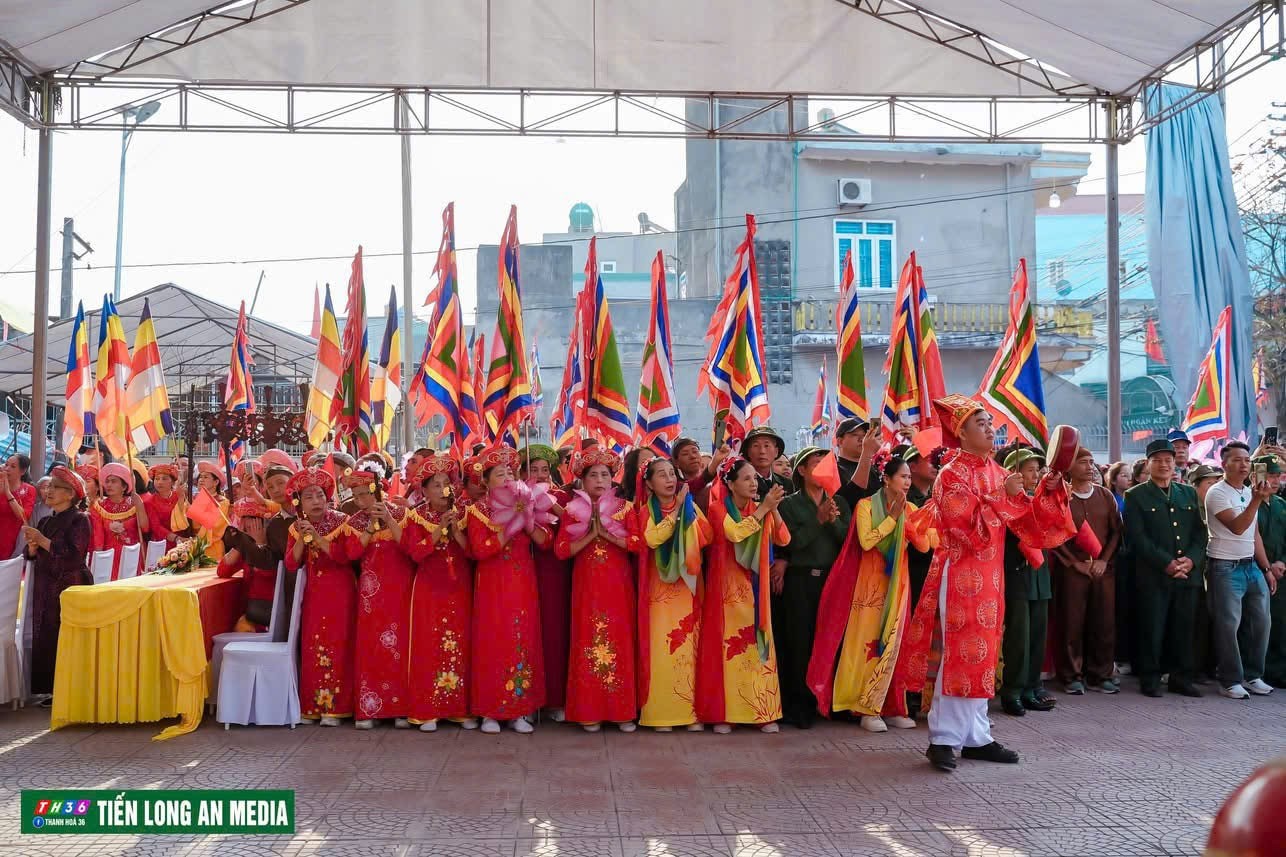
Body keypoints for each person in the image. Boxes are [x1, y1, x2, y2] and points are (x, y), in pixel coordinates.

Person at [895, 395, 1074, 773]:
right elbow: (960, 528)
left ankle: (976, 735)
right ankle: (943, 738)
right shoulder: (951, 474)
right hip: (960, 572)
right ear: (961, 432)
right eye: (981, 423)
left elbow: (1026, 520)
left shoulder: (994, 471)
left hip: (990, 576)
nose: (990, 428)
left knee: (984, 652)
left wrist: (1049, 488)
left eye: (991, 422)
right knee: (960, 652)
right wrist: (1001, 496)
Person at [807, 447, 937, 732]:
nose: (906, 482)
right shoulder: (866, 506)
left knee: (894, 645)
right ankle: (864, 707)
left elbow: (926, 545)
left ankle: (891, 706)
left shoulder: (911, 509)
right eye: (902, 476)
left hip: (898, 587)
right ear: (887, 479)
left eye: (907, 477)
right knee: (865, 646)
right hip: (868, 589)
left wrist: (914, 524)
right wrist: (892, 519)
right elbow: (866, 542)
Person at [695, 456, 790, 734]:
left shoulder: (760, 506)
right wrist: (763, 511)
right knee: (729, 650)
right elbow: (735, 534)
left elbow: (784, 539)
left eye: (754, 478)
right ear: (731, 483)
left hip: (755, 588)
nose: (753, 482)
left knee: (756, 647)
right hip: (727, 591)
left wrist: (773, 510)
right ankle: (726, 714)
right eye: (746, 478)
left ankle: (763, 712)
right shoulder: (716, 509)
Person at [466, 445, 547, 734]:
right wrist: (510, 524)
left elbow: (545, 541)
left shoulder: (528, 502)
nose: (506, 477)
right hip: (491, 585)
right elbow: (479, 550)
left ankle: (519, 710)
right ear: (486, 481)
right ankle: (490, 711)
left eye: (510, 472)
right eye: (499, 474)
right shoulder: (478, 510)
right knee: (492, 640)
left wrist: (527, 518)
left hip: (522, 583)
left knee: (521, 639)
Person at [557, 449, 639, 732]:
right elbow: (561, 550)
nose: (600, 480)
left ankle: (621, 712)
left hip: (617, 585)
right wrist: (591, 535)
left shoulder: (625, 509)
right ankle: (589, 710)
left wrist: (608, 535)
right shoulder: (571, 510)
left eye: (605, 474)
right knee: (588, 639)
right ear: (582, 480)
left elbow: (638, 544)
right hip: (587, 587)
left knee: (619, 640)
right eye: (594, 475)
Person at [629, 456, 713, 732]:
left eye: (671, 474)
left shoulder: (691, 507)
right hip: (659, 595)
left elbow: (707, 535)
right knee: (662, 649)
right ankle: (660, 714)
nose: (669, 480)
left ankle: (691, 713)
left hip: (686, 589)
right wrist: (676, 511)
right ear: (649, 484)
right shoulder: (644, 513)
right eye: (661, 475)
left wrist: (685, 516)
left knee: (690, 649)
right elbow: (651, 539)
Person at [773, 446, 852, 729]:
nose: (821, 468)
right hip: (801, 578)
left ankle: (828, 701)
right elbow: (788, 543)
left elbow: (847, 539)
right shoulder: (789, 504)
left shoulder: (838, 501)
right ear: (802, 471)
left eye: (825, 463)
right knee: (800, 641)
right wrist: (817, 521)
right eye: (814, 464)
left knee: (831, 639)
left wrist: (831, 522)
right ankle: (800, 705)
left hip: (832, 579)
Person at [1124, 439, 1207, 698]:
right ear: (1148, 464)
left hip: (1186, 573)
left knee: (1184, 628)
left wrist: (1191, 560)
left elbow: (1199, 533)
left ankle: (1181, 677)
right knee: (1153, 627)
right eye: (1157, 460)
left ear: (1175, 464)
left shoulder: (1188, 493)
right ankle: (1150, 677)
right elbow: (1137, 537)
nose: (1163, 465)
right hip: (1154, 574)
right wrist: (1167, 563)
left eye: (1168, 461)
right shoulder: (1135, 495)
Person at [403, 455, 477, 732]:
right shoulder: (415, 515)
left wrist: (456, 530)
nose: (443, 489)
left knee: (460, 643)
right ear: (423, 490)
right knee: (429, 644)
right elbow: (415, 553)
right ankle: (428, 709)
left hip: (459, 585)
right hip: (429, 588)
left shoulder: (466, 512)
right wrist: (437, 531)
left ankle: (458, 708)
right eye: (436, 485)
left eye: (447, 483)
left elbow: (472, 552)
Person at [285, 467, 358, 726]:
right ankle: (314, 706)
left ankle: (338, 708)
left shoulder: (341, 522)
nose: (316, 501)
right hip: (315, 593)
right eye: (308, 497)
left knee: (339, 645)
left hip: (341, 591)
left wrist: (316, 537)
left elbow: (345, 556)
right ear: (299, 502)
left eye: (319, 495)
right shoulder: (296, 527)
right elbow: (291, 564)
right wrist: (302, 541)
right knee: (314, 646)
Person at [1203, 441, 1276, 699]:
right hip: (1224, 567)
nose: (1243, 464)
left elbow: (1254, 533)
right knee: (1228, 625)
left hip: (1251, 565)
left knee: (1262, 622)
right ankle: (1229, 679)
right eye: (1236, 460)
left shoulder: (1247, 491)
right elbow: (1237, 527)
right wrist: (1256, 500)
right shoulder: (1217, 493)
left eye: (1247, 459)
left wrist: (1266, 568)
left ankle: (1254, 675)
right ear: (1223, 464)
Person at [344, 464, 414, 729]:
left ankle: (400, 707)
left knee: (400, 646)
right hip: (371, 594)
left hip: (400, 588)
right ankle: (370, 707)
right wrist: (369, 530)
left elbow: (409, 547)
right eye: (356, 495)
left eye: (365, 494)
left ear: (378, 490)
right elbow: (351, 554)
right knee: (371, 646)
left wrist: (390, 519)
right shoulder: (355, 522)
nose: (361, 500)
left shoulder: (402, 514)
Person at [1050, 447, 1123, 695]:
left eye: (1092, 462)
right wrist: (1074, 563)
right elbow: (1054, 535)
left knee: (1103, 623)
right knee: (1071, 623)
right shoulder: (1060, 497)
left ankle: (1100, 674)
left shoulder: (1105, 496)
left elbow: (1116, 532)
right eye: (1083, 462)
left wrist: (1103, 560)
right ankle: (1071, 675)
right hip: (1072, 571)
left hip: (1103, 571)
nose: (1090, 467)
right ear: (1069, 467)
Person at [22, 466, 92, 705]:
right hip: (45, 585)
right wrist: (31, 549)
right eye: (48, 486)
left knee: (63, 634)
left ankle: (68, 686)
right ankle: (50, 688)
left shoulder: (80, 520)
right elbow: (32, 555)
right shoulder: (44, 520)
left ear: (70, 494)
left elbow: (74, 557)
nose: (48, 491)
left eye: (55, 487)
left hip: (68, 586)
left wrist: (41, 541)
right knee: (46, 635)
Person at [996, 446, 1057, 715]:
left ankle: (1032, 687)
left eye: (1037, 470)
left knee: (1037, 635)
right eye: (1029, 470)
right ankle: (1012, 691)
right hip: (1018, 572)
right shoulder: (1007, 501)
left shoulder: (1039, 498)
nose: (1035, 475)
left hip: (1039, 574)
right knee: (1018, 637)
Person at [521, 444, 572, 723]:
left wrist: (548, 502)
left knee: (553, 632)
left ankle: (554, 699)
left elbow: (574, 521)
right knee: (524, 634)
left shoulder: (563, 496)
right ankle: (524, 699)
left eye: (544, 470)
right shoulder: (513, 496)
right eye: (533, 470)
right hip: (521, 571)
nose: (539, 475)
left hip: (553, 571)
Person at [216, 496, 280, 632]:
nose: (244, 524)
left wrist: (259, 545)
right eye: (242, 519)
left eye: (251, 519)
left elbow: (266, 574)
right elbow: (222, 571)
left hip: (266, 614)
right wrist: (240, 543)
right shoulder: (246, 545)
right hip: (249, 610)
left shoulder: (275, 545)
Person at [88, 461, 150, 580]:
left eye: (114, 481)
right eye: (107, 481)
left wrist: (140, 507)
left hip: (132, 555)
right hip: (108, 556)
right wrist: (98, 562)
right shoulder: (98, 506)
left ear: (124, 486)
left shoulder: (134, 503)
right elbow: (98, 537)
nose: (109, 485)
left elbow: (145, 528)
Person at [833, 418, 882, 508]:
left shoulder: (874, 468)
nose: (862, 440)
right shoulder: (834, 469)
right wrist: (867, 452)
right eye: (854, 435)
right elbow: (852, 498)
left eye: (864, 435)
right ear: (840, 441)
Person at [0, 454, 36, 560]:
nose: (7, 469)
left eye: (13, 466)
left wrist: (7, 492)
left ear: (23, 471)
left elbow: (23, 516)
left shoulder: (29, 490)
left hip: (12, 539)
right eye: (6, 465)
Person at [194, 461, 231, 561]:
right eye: (200, 477)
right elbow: (188, 524)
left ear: (216, 482)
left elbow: (214, 526)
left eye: (206, 477)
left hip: (214, 549)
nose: (201, 480)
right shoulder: (194, 499)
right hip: (194, 549)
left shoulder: (222, 502)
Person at [743, 427, 793, 499]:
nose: (762, 451)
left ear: (776, 452)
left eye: (767, 446)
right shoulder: (741, 483)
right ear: (748, 452)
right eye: (756, 446)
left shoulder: (787, 484)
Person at [143, 463, 185, 546]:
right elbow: (156, 527)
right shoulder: (149, 502)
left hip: (184, 540)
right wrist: (176, 538)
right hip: (161, 543)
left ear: (173, 482)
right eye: (157, 479)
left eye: (164, 479)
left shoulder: (180, 495)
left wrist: (182, 498)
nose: (160, 482)